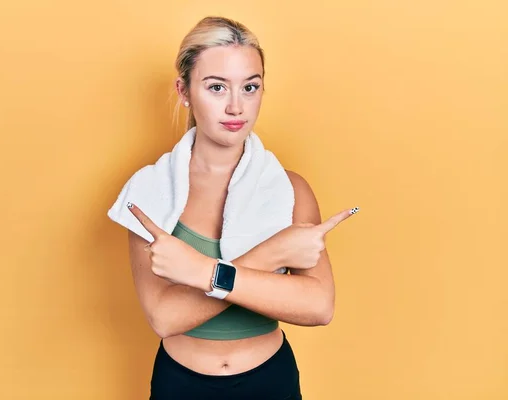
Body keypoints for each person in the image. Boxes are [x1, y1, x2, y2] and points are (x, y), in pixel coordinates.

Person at [123, 16, 359, 400]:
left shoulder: (290, 189)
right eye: (217, 87)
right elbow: (165, 317)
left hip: (270, 381)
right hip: (180, 383)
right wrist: (271, 254)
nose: (236, 106)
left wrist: (199, 272)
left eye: (250, 87)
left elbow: (318, 306)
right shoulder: (149, 192)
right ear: (183, 91)